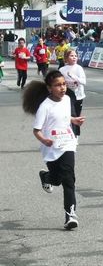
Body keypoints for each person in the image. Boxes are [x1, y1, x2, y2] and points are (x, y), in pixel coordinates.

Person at [22, 70, 85, 229]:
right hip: (51, 147)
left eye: (64, 84)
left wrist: (74, 120)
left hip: (68, 142)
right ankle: (46, 176)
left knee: (69, 179)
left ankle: (70, 215)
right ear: (49, 88)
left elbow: (64, 116)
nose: (62, 88)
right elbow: (36, 130)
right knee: (57, 179)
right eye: (58, 85)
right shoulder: (45, 106)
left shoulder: (67, 99)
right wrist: (44, 140)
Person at [60, 49, 86, 138]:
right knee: (70, 115)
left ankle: (76, 135)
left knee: (77, 115)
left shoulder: (79, 68)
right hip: (67, 95)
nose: (74, 57)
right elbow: (59, 82)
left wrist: (74, 78)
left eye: (75, 56)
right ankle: (70, 133)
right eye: (71, 56)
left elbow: (84, 81)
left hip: (79, 95)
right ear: (66, 58)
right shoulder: (62, 69)